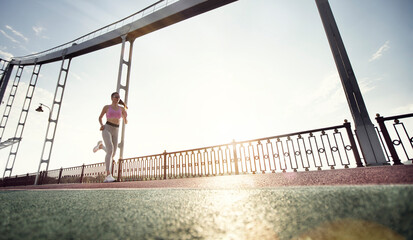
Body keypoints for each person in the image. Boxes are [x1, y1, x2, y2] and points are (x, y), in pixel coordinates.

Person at [93, 92, 128, 183]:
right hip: (107, 128)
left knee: (112, 153)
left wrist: (125, 117)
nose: (117, 98)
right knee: (110, 149)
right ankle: (108, 175)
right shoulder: (106, 107)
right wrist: (101, 125)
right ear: (112, 98)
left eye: (118, 97)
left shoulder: (121, 108)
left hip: (116, 130)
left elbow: (125, 121)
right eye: (115, 97)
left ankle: (101, 146)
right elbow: (100, 117)